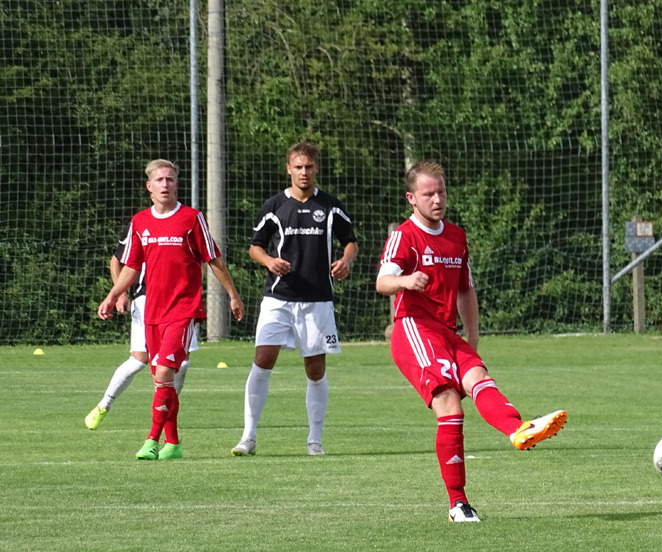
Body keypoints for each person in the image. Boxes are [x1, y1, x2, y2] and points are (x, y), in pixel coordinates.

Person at [376, 160, 567, 522]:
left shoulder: (457, 237)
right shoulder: (405, 235)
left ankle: (518, 429)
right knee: (450, 405)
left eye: (441, 192)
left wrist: (473, 336)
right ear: (411, 198)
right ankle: (458, 504)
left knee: (479, 378)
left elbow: (466, 289)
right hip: (414, 329)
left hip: (448, 332)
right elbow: (383, 282)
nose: (437, 199)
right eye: (428, 193)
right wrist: (404, 281)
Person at [97, 159, 244, 460]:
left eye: (171, 179)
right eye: (160, 180)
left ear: (177, 184)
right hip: (151, 311)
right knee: (161, 381)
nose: (165, 184)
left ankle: (151, 440)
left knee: (165, 371)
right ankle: (173, 444)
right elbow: (131, 265)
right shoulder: (140, 222)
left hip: (183, 309)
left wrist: (233, 295)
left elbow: (213, 259)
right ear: (149, 187)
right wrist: (114, 294)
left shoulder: (192, 218)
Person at [231, 141, 358, 457]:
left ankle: (314, 440)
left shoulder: (330, 206)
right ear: (289, 168)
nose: (304, 172)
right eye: (298, 167)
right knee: (263, 360)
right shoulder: (275, 206)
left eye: (309, 167)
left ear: (316, 169)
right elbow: (255, 246)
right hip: (278, 298)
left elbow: (351, 242)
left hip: (317, 300)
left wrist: (346, 261)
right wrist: (268, 261)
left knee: (315, 369)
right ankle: (248, 437)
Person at [84, 223, 198, 430]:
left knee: (181, 361)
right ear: (150, 189)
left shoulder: (187, 222)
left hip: (180, 299)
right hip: (146, 298)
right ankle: (104, 405)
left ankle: (163, 413)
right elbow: (116, 262)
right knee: (139, 360)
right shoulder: (140, 224)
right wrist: (120, 294)